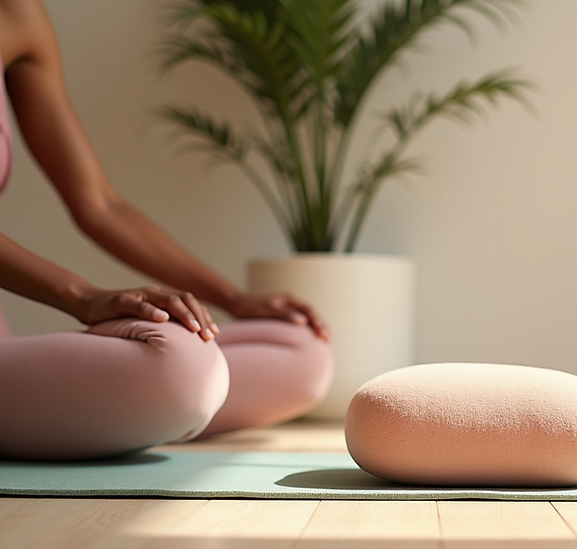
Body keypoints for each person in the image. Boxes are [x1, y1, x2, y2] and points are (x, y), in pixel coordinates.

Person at [0, 0, 332, 460]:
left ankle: (104, 416)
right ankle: (121, 412)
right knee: (181, 365)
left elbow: (101, 205)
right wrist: (82, 297)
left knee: (300, 350)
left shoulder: (18, 14)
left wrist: (234, 299)